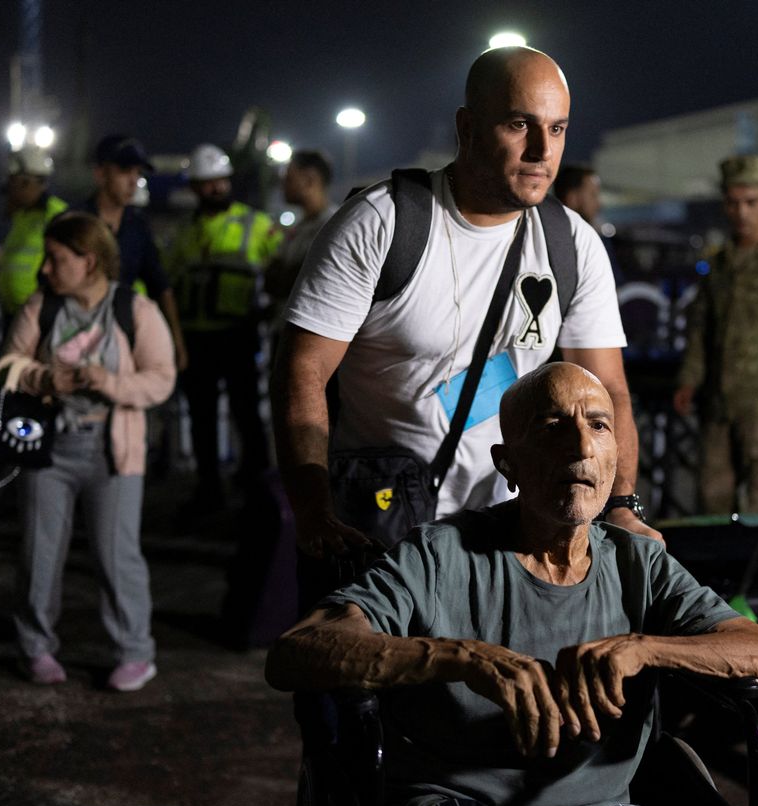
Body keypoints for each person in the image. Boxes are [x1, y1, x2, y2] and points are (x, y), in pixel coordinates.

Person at [266, 362, 758, 806]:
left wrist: (645, 649)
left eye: (599, 426)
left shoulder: (639, 563)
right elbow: (298, 650)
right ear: (508, 464)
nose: (581, 448)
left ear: (615, 455)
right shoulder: (440, 553)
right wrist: (465, 658)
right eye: (551, 427)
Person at [274, 45, 658, 571]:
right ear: (468, 126)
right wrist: (313, 512)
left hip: (513, 536)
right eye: (520, 124)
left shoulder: (572, 243)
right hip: (384, 531)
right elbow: (302, 371)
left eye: (559, 128)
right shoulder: (382, 225)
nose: (542, 150)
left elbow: (609, 391)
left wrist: (620, 507)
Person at [0, 211, 176, 691]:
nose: (45, 269)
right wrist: (41, 378)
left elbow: (162, 377)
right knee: (39, 551)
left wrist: (111, 382)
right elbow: (8, 365)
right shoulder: (43, 306)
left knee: (117, 554)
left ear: (90, 260)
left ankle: (136, 652)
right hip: (49, 450)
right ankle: (35, 648)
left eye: (57, 259)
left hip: (113, 450)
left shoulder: (135, 310)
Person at [674, 156, 758, 514]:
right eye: (733, 203)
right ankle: (717, 573)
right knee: (712, 501)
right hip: (718, 404)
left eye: (751, 202)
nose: (742, 212)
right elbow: (702, 328)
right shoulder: (718, 265)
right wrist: (689, 380)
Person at [166, 143, 281, 511]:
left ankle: (257, 487)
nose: (213, 189)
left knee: (247, 413)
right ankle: (209, 488)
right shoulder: (184, 232)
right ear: (195, 187)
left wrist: (267, 313)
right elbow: (167, 278)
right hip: (195, 337)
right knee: (202, 418)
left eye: (219, 181)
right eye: (205, 183)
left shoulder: (257, 224)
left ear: (228, 181)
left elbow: (287, 269)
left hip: (237, 334)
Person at [79, 133, 188, 371]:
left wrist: (176, 342)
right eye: (124, 171)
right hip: (76, 337)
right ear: (100, 174)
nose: (133, 181)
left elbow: (160, 285)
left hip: (124, 338)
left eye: (137, 173)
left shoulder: (138, 228)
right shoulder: (75, 223)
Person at [264, 148, 339, 321]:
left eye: (289, 178)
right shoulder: (298, 228)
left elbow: (310, 282)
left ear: (309, 180)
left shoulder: (333, 226)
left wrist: (286, 276)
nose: (282, 185)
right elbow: (273, 281)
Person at [0, 145, 68, 318]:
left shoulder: (57, 213)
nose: (10, 190)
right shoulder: (21, 215)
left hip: (39, 314)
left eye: (13, 182)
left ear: (29, 181)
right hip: (13, 311)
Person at [554, 163, 624, 285]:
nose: (599, 204)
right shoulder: (554, 242)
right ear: (572, 198)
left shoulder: (596, 238)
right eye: (593, 195)